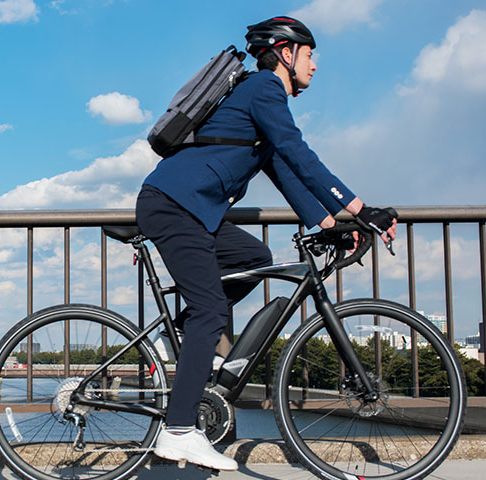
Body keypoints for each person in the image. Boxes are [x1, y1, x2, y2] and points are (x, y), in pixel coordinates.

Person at [136, 16, 398, 471]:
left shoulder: (257, 100)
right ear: (285, 53)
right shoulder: (263, 88)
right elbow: (299, 152)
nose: (314, 66)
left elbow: (284, 171)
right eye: (310, 55)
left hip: (190, 209)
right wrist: (361, 208)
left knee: (253, 255)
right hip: (175, 206)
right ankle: (178, 431)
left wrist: (329, 223)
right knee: (211, 312)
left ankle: (179, 334)